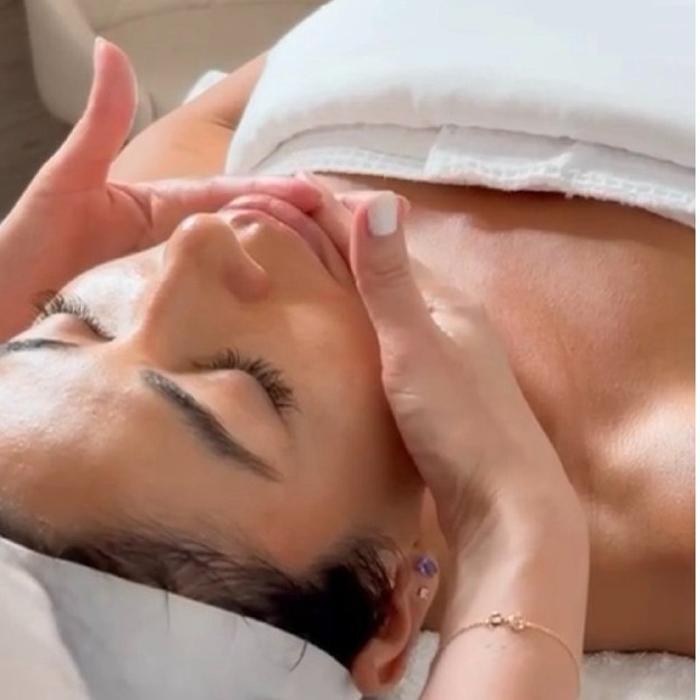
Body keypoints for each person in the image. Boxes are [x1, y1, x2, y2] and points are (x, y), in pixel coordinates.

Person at [0, 36, 691, 700]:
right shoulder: (664, 478)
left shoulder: (132, 218)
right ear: (390, 610)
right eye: (240, 381)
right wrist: (512, 517)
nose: (193, 243)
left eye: (69, 322)